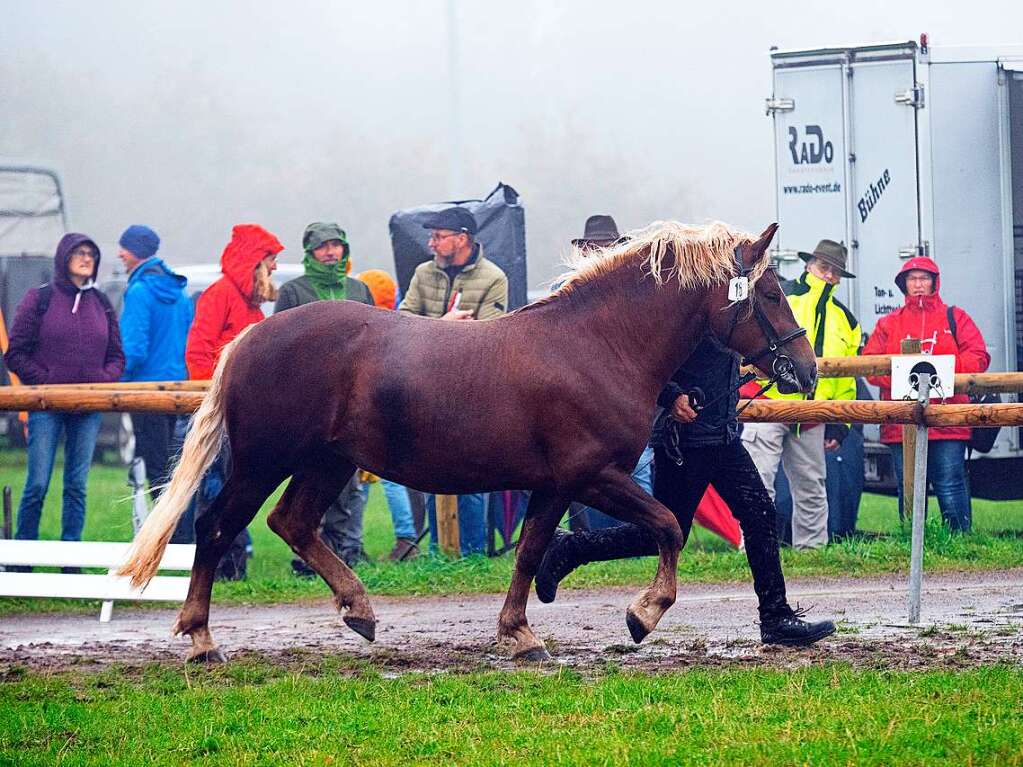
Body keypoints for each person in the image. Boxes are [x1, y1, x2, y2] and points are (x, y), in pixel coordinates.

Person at [535, 335, 836, 647]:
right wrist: (671, 396)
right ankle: (571, 549)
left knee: (760, 514)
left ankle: (775, 617)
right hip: (683, 439)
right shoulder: (687, 295)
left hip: (721, 434)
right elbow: (643, 353)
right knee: (664, 533)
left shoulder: (728, 301)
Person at [5, 233, 125, 558]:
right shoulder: (39, 298)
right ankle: (22, 558)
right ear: (64, 258)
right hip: (46, 407)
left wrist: (100, 381)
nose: (86, 258)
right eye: (79, 253)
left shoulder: (101, 303)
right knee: (37, 485)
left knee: (77, 487)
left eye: (91, 254)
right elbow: (15, 353)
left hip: (88, 409)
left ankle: (71, 559)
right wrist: (45, 382)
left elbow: (117, 356)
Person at [399, 206, 508, 554]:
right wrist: (443, 326)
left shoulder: (494, 277)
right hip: (427, 390)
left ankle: (475, 553)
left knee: (478, 473)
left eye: (438, 236)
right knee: (431, 470)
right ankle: (439, 553)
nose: (431, 243)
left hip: (474, 391)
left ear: (461, 239)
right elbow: (401, 322)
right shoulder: (422, 273)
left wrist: (442, 332)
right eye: (431, 236)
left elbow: (493, 335)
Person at [741, 239, 861, 550]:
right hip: (768, 402)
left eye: (835, 272)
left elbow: (846, 378)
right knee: (758, 481)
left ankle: (811, 551)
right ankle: (754, 548)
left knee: (811, 486)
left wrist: (840, 422)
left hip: (812, 413)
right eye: (824, 268)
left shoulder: (848, 321)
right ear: (809, 265)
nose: (829, 276)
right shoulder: (781, 298)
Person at [184, 224, 284, 579]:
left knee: (236, 485)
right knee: (215, 488)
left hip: (242, 413)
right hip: (220, 410)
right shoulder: (220, 295)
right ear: (254, 261)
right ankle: (219, 565)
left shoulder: (252, 306)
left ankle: (232, 563)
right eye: (270, 260)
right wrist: (216, 401)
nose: (273, 268)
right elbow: (198, 352)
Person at [862, 256, 989, 532]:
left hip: (948, 420)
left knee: (951, 482)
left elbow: (979, 357)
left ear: (935, 283)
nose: (918, 284)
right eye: (912, 279)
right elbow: (870, 365)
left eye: (924, 278)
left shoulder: (955, 317)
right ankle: (911, 543)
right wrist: (910, 375)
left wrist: (939, 372)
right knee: (909, 487)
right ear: (903, 285)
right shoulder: (888, 323)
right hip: (902, 422)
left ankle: (959, 542)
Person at [274, 222, 374, 573]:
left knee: (348, 485)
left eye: (337, 245)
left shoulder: (359, 289)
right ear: (309, 252)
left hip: (355, 405)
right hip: (308, 405)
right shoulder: (292, 292)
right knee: (309, 480)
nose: (331, 252)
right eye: (323, 246)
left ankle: (347, 550)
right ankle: (307, 554)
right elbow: (279, 348)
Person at [565, 215, 653, 530]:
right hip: (579, 401)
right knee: (578, 471)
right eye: (596, 247)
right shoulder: (566, 291)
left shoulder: (634, 296)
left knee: (638, 466)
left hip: (621, 401)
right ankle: (590, 538)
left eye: (607, 247)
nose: (601, 253)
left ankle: (637, 537)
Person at [117, 225, 194, 502]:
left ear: (136, 251)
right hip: (175, 388)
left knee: (154, 467)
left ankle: (162, 532)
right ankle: (176, 530)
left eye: (123, 248)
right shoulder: (181, 293)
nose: (119, 254)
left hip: (145, 388)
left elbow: (134, 348)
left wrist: (118, 383)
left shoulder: (139, 291)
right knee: (169, 465)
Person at [355, 268, 420, 560]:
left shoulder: (371, 335)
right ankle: (405, 536)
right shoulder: (396, 327)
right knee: (387, 479)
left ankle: (360, 539)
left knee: (365, 476)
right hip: (399, 410)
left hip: (376, 414)